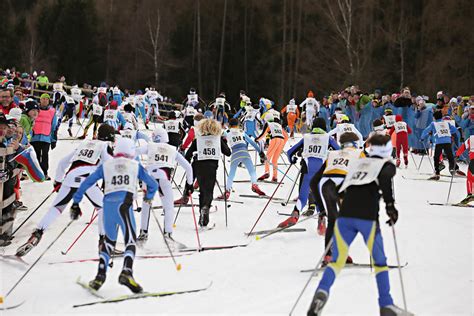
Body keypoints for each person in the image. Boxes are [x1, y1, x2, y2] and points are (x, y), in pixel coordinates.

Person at [307, 134, 412, 316]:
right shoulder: (385, 165)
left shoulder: (357, 164)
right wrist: (390, 206)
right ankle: (386, 305)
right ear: (387, 149)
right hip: (367, 219)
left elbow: (342, 189)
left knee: (336, 262)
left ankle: (320, 294)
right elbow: (386, 180)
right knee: (380, 262)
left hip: (345, 217)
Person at [71, 137, 158, 293]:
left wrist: (76, 202)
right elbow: (153, 184)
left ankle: (100, 275)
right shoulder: (135, 165)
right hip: (124, 206)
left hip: (108, 206)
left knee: (109, 241)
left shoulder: (106, 165)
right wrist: (149, 196)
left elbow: (86, 183)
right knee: (130, 241)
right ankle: (127, 272)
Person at [16, 124, 116, 256]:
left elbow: (63, 162)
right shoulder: (105, 146)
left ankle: (37, 233)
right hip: (87, 180)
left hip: (70, 177)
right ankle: (104, 244)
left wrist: (58, 181)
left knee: (56, 209)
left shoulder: (85, 144)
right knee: (104, 209)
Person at [310, 132, 364, 265]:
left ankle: (328, 256)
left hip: (325, 183)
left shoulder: (332, 154)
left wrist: (321, 210)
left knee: (333, 221)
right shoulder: (359, 153)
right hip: (342, 182)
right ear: (355, 143)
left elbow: (313, 182)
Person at [278, 118, 339, 228]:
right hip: (321, 171)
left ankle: (295, 213)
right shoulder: (328, 138)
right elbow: (339, 151)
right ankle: (321, 220)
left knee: (302, 197)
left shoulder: (306, 137)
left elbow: (290, 152)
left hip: (307, 170)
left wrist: (292, 160)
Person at [136, 126, 194, 242]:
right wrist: (190, 184)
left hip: (149, 178)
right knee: (168, 207)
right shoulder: (172, 149)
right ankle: (167, 233)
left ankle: (143, 232)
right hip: (164, 179)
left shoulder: (150, 146)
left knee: (146, 206)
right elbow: (188, 167)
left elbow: (133, 153)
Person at [184, 119, 231, 227]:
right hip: (211, 166)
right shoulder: (218, 139)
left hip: (198, 165)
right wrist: (224, 142)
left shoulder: (198, 140)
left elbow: (187, 155)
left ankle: (201, 212)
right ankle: (205, 208)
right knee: (208, 191)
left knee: (202, 191)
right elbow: (228, 153)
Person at [218, 118, 266, 200]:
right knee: (252, 171)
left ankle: (227, 191)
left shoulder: (227, 132)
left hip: (235, 153)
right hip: (244, 152)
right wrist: (260, 152)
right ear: (237, 124)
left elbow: (221, 140)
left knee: (232, 173)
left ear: (229, 124)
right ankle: (254, 184)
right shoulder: (241, 131)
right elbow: (252, 142)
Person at [421, 110, 458, 180]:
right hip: (447, 141)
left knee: (436, 157)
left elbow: (426, 130)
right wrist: (448, 132)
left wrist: (422, 138)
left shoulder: (433, 124)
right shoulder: (446, 123)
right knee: (450, 156)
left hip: (439, 142)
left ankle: (437, 173)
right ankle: (452, 169)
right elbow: (455, 130)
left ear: (434, 117)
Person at [30, 93, 58, 180]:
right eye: (43, 99)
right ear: (40, 100)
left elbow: (54, 126)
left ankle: (45, 173)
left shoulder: (52, 111)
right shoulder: (35, 110)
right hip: (35, 137)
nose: (45, 100)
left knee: (45, 155)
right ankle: (36, 173)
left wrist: (54, 140)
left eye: (47, 99)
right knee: (36, 155)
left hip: (46, 137)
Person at [256, 116, 288, 182]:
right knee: (274, 160)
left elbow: (263, 134)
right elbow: (286, 137)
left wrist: (257, 139)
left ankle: (266, 172)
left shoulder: (268, 124)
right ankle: (275, 177)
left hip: (275, 139)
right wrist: (282, 146)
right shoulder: (279, 125)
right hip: (281, 141)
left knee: (267, 157)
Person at [455, 135, 474, 204]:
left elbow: (463, 147)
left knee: (470, 178)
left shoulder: (471, 139)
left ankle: (470, 194)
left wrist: (457, 155)